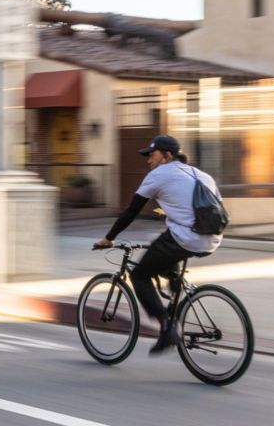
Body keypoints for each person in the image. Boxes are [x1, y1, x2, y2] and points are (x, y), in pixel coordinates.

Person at [93, 135, 223, 356]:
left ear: (167, 155)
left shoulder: (159, 174)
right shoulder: (202, 175)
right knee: (166, 250)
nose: (148, 160)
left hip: (186, 237)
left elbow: (132, 211)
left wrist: (109, 237)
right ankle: (174, 287)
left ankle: (166, 327)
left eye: (152, 155)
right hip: (212, 238)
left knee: (139, 275)